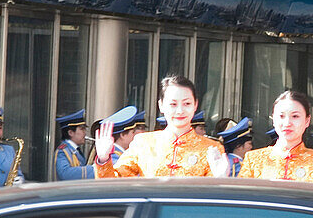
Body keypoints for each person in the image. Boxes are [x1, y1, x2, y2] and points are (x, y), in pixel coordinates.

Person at [94, 76, 227, 178]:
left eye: (186, 103)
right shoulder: (144, 143)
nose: (180, 111)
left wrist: (220, 181)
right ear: (161, 105)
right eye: (173, 104)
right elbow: (115, 184)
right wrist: (103, 159)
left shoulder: (212, 149)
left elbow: (214, 203)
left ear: (195, 105)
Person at [240, 91, 313, 182]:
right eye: (281, 116)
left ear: (307, 121)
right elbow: (242, 198)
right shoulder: (253, 160)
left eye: (295, 116)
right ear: (273, 120)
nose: (287, 123)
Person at [53, 109, 95, 181]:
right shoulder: (62, 151)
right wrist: (94, 169)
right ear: (70, 133)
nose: (85, 133)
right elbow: (65, 174)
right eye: (82, 129)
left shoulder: (75, 150)